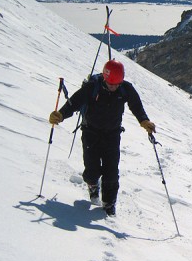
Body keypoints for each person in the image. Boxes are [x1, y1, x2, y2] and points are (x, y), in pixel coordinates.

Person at [49, 60, 156, 216]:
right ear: (105, 78)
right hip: (90, 133)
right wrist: (61, 115)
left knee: (111, 173)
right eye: (111, 84)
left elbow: (136, 106)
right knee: (91, 170)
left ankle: (109, 205)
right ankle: (92, 185)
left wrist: (144, 121)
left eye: (117, 84)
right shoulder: (92, 87)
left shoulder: (125, 89)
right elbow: (74, 103)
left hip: (112, 135)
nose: (113, 87)